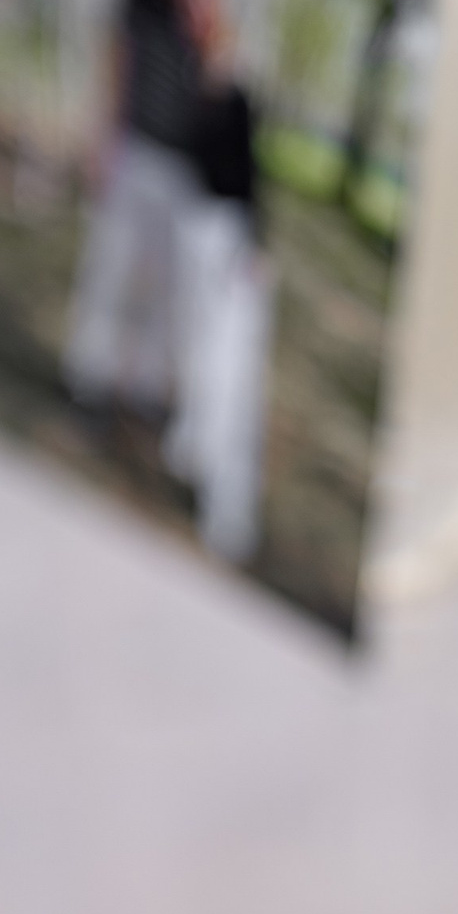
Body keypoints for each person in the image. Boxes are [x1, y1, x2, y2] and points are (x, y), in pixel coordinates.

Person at [64, 0, 213, 416]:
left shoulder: (206, 15)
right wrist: (102, 144)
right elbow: (114, 68)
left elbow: (216, 87)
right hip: (134, 150)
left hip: (181, 170)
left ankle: (144, 390)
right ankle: (89, 377)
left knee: (162, 287)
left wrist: (204, 30)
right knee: (108, 268)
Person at [163, 64, 274, 564]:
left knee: (229, 374)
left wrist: (253, 242)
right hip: (201, 228)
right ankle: (194, 455)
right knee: (199, 358)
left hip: (228, 239)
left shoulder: (234, 99)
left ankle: (226, 509)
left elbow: (250, 173)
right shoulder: (196, 90)